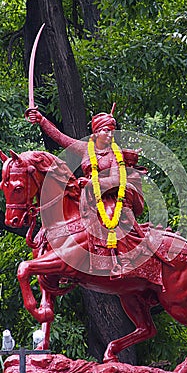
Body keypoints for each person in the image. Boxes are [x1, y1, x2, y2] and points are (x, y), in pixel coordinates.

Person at [27, 104, 146, 277]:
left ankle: (119, 260)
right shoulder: (85, 149)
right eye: (106, 130)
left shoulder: (115, 153)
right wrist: (41, 120)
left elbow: (116, 180)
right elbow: (60, 138)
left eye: (112, 131)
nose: (110, 134)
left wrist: (92, 183)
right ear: (96, 132)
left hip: (109, 196)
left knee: (111, 214)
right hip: (87, 196)